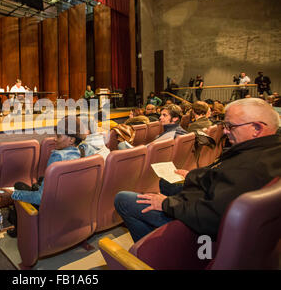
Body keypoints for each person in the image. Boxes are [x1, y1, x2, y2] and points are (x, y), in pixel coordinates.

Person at [114, 98, 280, 243]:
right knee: (167, 182)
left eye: (230, 126)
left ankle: (153, 253)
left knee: (123, 199)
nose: (225, 131)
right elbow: (219, 173)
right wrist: (192, 176)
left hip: (195, 226)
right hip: (198, 201)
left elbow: (211, 216)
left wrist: (165, 204)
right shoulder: (267, 150)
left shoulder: (249, 167)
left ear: (256, 128)